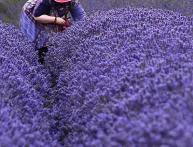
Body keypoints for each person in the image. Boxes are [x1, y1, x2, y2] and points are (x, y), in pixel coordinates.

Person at [20, 0, 86, 64]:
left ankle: (46, 61)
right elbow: (37, 16)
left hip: (51, 13)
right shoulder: (46, 1)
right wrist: (56, 20)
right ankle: (33, 63)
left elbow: (81, 18)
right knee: (35, 42)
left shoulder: (73, 2)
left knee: (55, 36)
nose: (62, 4)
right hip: (32, 14)